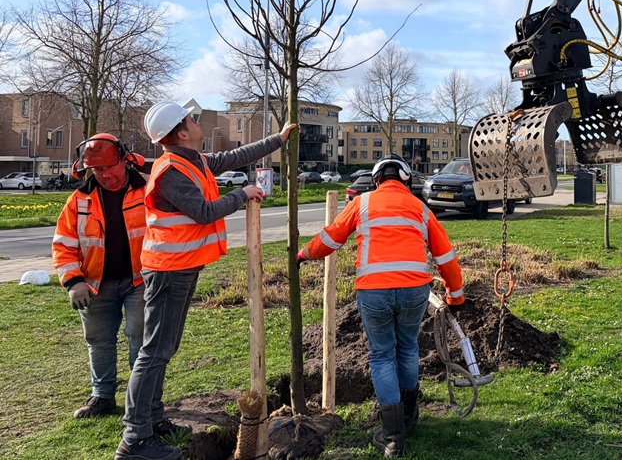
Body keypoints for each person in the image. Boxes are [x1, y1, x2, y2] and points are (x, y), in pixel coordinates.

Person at [115, 101, 297, 460]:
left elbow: (234, 156)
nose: (197, 123)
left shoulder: (191, 161)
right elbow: (202, 213)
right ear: (181, 133)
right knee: (154, 351)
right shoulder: (170, 171)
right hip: (168, 270)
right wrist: (241, 194)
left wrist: (277, 139)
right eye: (191, 120)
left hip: (180, 267)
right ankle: (135, 438)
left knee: (163, 348)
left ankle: (152, 419)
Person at [296, 154, 465, 459]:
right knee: (408, 348)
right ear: (406, 180)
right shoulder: (420, 208)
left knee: (383, 355)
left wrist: (303, 254)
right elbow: (446, 257)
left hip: (373, 292)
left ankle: (392, 437)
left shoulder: (361, 204)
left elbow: (331, 239)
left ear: (375, 180)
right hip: (414, 291)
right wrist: (456, 296)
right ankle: (410, 414)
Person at [52, 133, 149, 420]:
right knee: (98, 340)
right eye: (98, 169)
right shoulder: (79, 200)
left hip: (140, 280)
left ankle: (140, 397)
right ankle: (102, 396)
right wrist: (73, 281)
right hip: (94, 285)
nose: (106, 175)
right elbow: (63, 244)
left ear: (125, 160)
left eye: (111, 167)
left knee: (140, 336)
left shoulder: (147, 190)